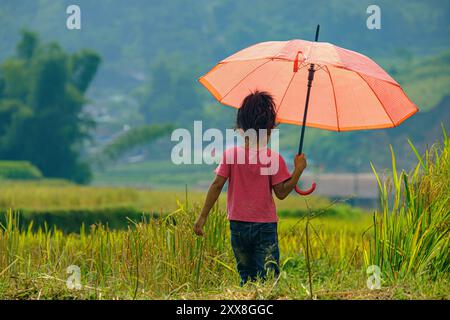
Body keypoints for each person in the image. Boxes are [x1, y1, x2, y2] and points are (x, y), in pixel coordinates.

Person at [193, 90, 307, 285]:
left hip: (237, 225)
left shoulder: (230, 155)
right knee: (269, 278)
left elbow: (216, 185)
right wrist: (298, 170)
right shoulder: (273, 158)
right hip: (265, 226)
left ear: (240, 127)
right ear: (270, 129)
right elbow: (281, 193)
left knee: (247, 277)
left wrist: (203, 216)